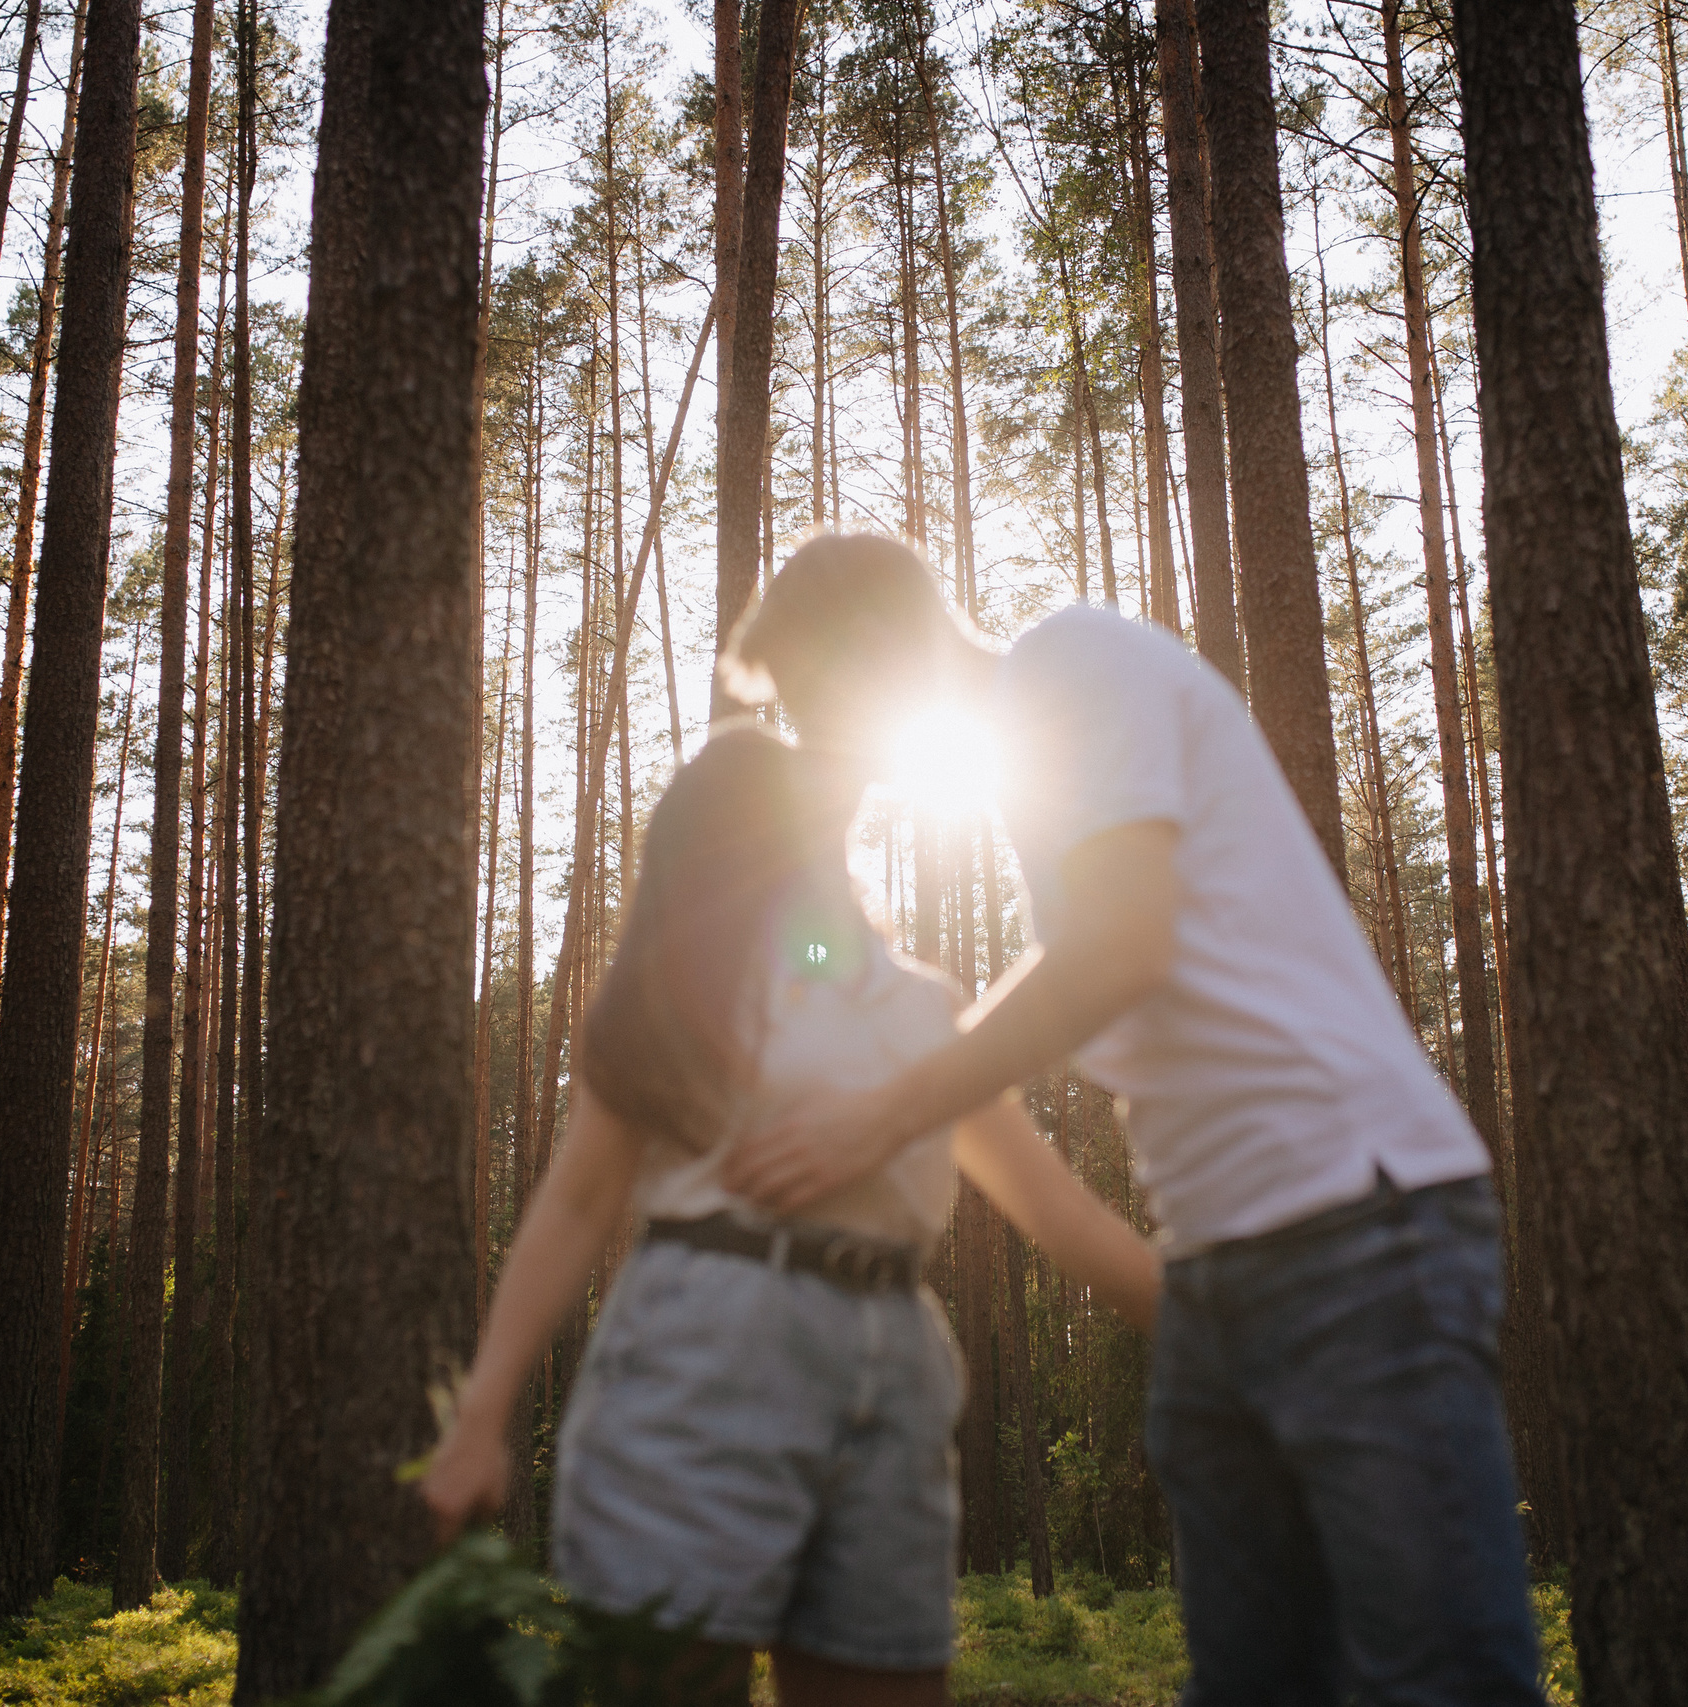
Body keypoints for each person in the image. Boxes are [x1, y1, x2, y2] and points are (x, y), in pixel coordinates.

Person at [718, 534, 1545, 1707]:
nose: (815, 742)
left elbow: (1114, 947)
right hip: (1221, 1267)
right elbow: (932, 970)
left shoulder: (1071, 665)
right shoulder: (1030, 772)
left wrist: (884, 1113)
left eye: (810, 701)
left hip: (1362, 1221)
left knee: (1439, 1673)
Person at [419, 726, 1160, 1707]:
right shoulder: (671, 994)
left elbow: (1059, 1213)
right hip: (699, 1350)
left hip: (895, 1369)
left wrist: (1230, 1326)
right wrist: (480, 1418)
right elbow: (576, 1204)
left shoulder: (927, 1012)